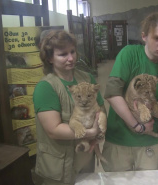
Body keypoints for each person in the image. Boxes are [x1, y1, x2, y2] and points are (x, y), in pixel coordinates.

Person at [101, 12, 158, 172]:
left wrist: (153, 108)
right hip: (119, 138)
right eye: (157, 38)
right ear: (144, 36)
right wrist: (137, 125)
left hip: (148, 141)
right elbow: (112, 93)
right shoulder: (129, 54)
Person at [33, 29, 105, 185]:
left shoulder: (86, 78)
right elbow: (54, 130)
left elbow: (100, 109)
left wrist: (97, 133)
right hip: (59, 166)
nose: (71, 58)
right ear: (50, 58)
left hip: (85, 157)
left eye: (73, 51)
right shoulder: (46, 87)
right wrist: (91, 132)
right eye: (63, 54)